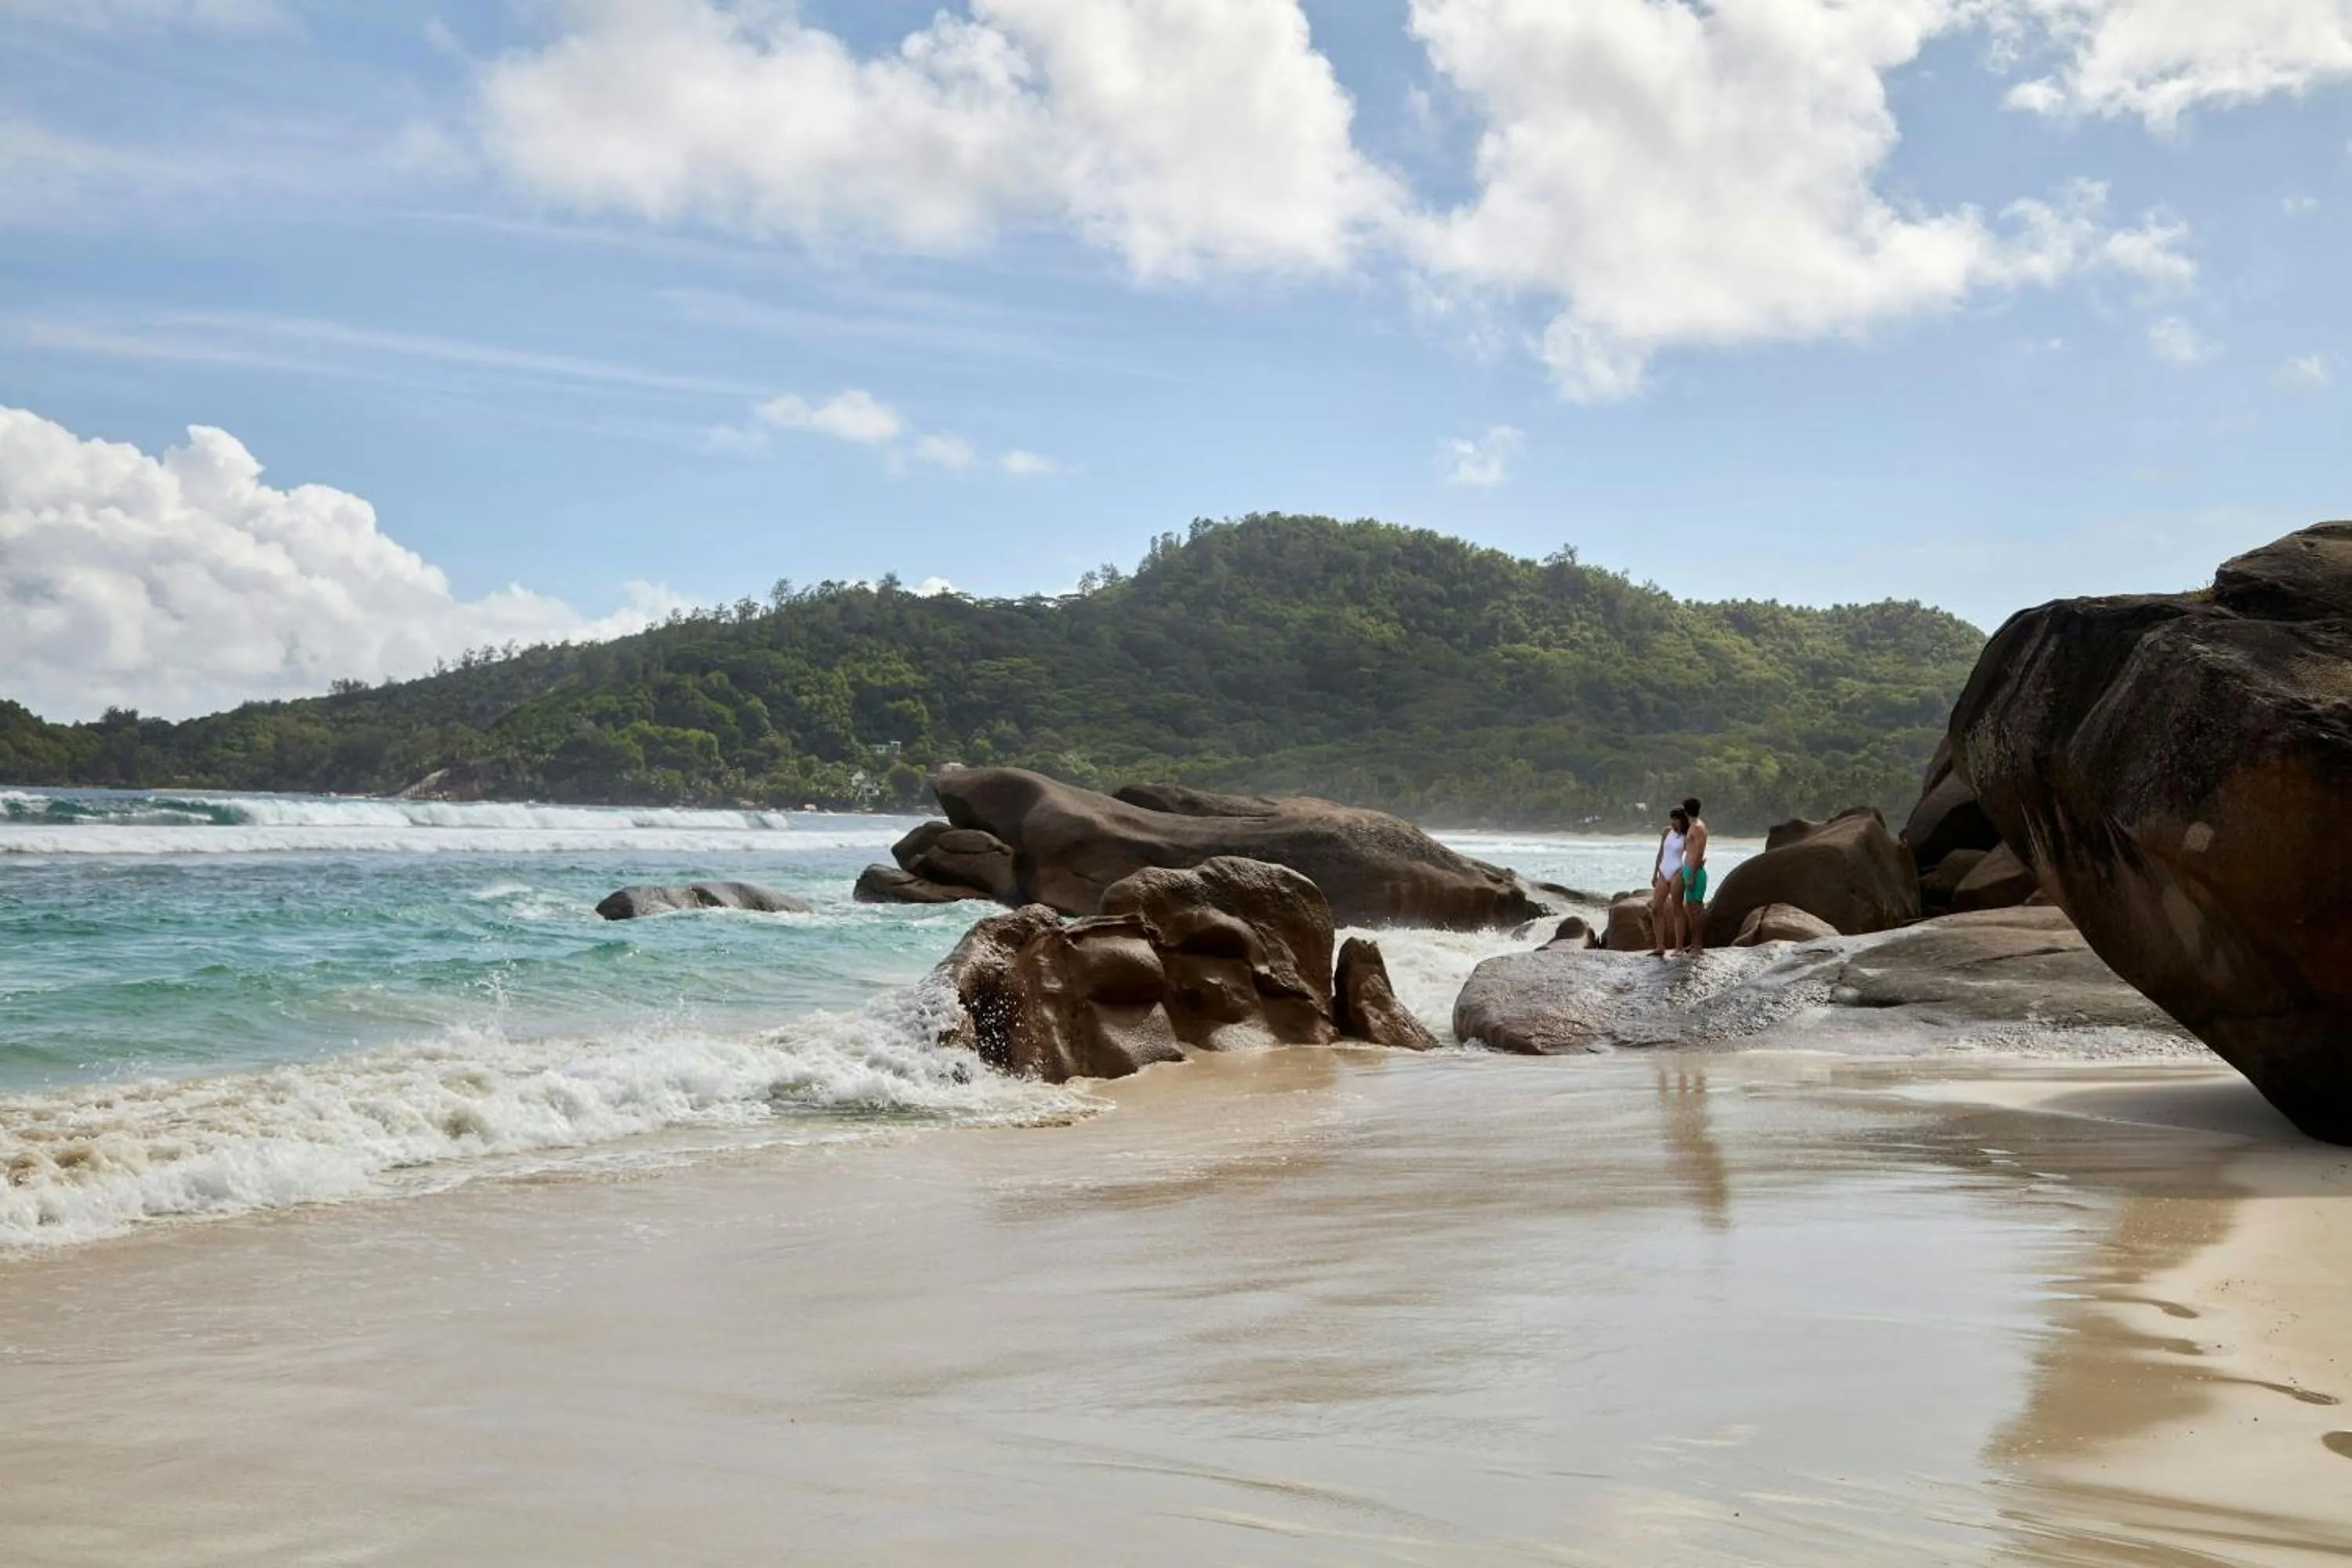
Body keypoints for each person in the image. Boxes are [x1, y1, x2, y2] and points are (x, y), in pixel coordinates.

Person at [1650, 806, 1690, 958]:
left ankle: (1679, 947)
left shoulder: (1687, 835)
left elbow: (1691, 855)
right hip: (1663, 872)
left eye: (1676, 819)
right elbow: (1661, 852)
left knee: (1677, 909)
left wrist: (1684, 870)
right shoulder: (1667, 832)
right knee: (1656, 909)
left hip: (1677, 872)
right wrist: (1655, 873)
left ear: (1682, 820)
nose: (1673, 822)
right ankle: (1660, 946)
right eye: (1672, 819)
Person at [1679, 796, 1710, 957]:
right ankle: (1694, 943)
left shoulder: (1698, 827)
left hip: (1695, 873)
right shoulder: (1693, 826)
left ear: (1686, 811)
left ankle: (1698, 946)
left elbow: (1699, 852)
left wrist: (1691, 875)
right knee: (1691, 909)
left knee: (1696, 910)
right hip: (1689, 870)